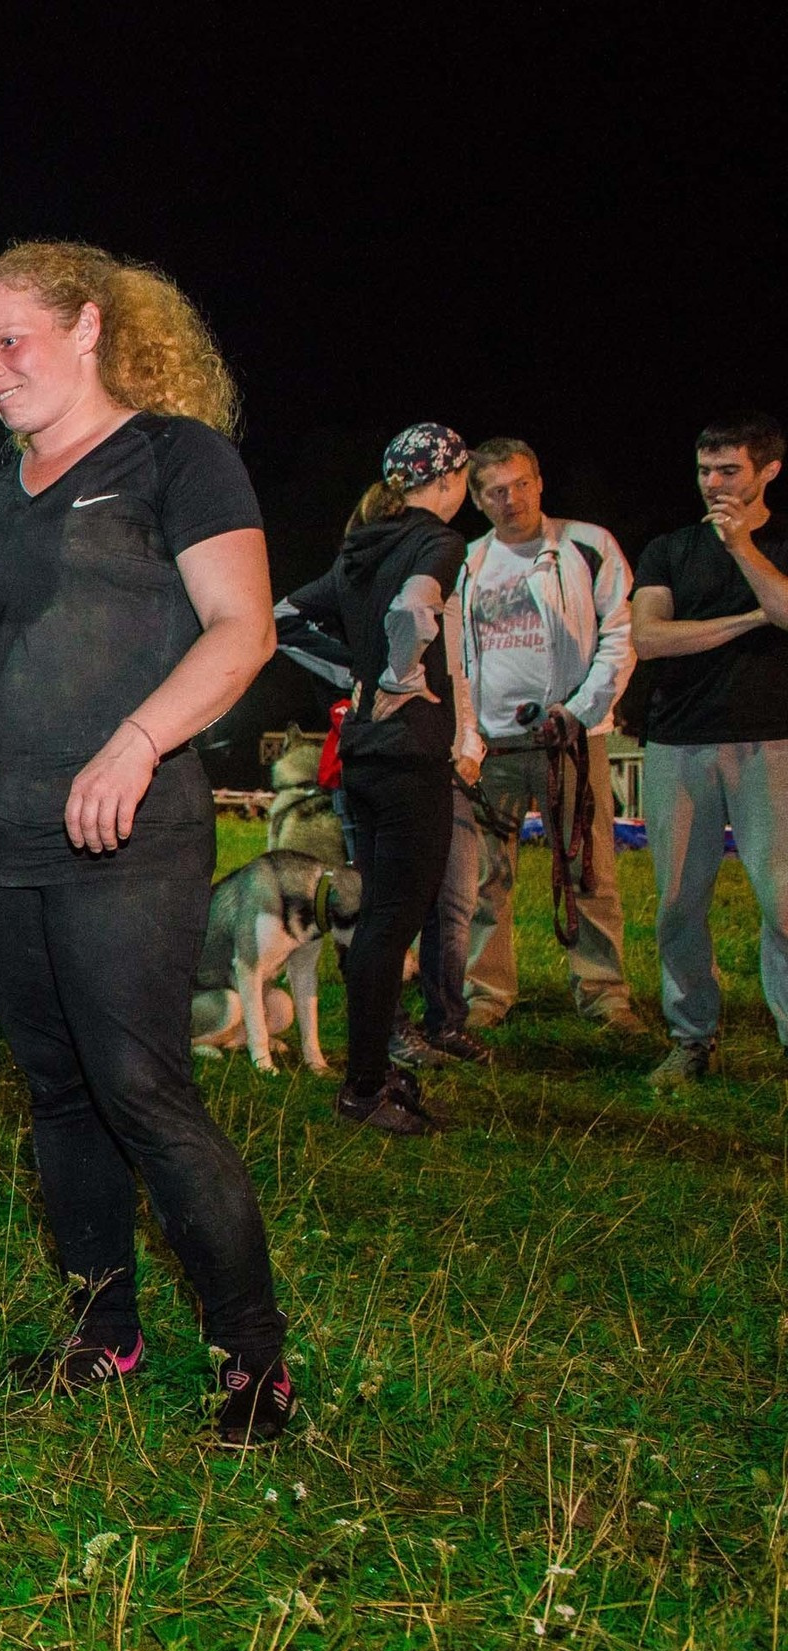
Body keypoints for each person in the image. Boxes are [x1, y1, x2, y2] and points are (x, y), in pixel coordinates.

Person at [0, 241, 293, 1448]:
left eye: (9, 339)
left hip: (129, 831)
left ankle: (254, 1365)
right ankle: (102, 1333)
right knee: (56, 1092)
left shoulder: (178, 457)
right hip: (2, 834)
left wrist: (136, 742)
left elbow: (243, 632)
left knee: (141, 1091)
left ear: (87, 326)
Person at [278, 426, 479, 1134]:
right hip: (408, 755)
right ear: (451, 478)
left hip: (361, 755)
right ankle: (365, 1088)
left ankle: (372, 1072)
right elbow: (413, 611)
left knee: (379, 923)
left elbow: (286, 620)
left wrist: (357, 677)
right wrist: (398, 678)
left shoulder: (363, 548)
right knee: (393, 923)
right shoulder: (437, 543)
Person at [414, 437, 643, 1049]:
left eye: (519, 484)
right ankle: (487, 992)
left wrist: (579, 710)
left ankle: (604, 991)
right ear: (478, 499)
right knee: (485, 876)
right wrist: (466, 734)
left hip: (568, 739)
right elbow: (453, 657)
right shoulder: (464, 562)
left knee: (588, 867)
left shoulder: (588, 547)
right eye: (493, 490)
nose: (509, 498)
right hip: (490, 745)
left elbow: (618, 638)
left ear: (539, 482)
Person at [629, 412, 788, 1084]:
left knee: (782, 899)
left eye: (730, 471)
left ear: (767, 472)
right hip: (680, 742)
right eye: (705, 471)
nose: (714, 484)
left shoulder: (778, 543)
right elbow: (649, 639)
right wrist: (751, 618)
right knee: (677, 903)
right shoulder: (668, 548)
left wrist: (745, 551)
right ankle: (692, 1037)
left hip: (772, 742)